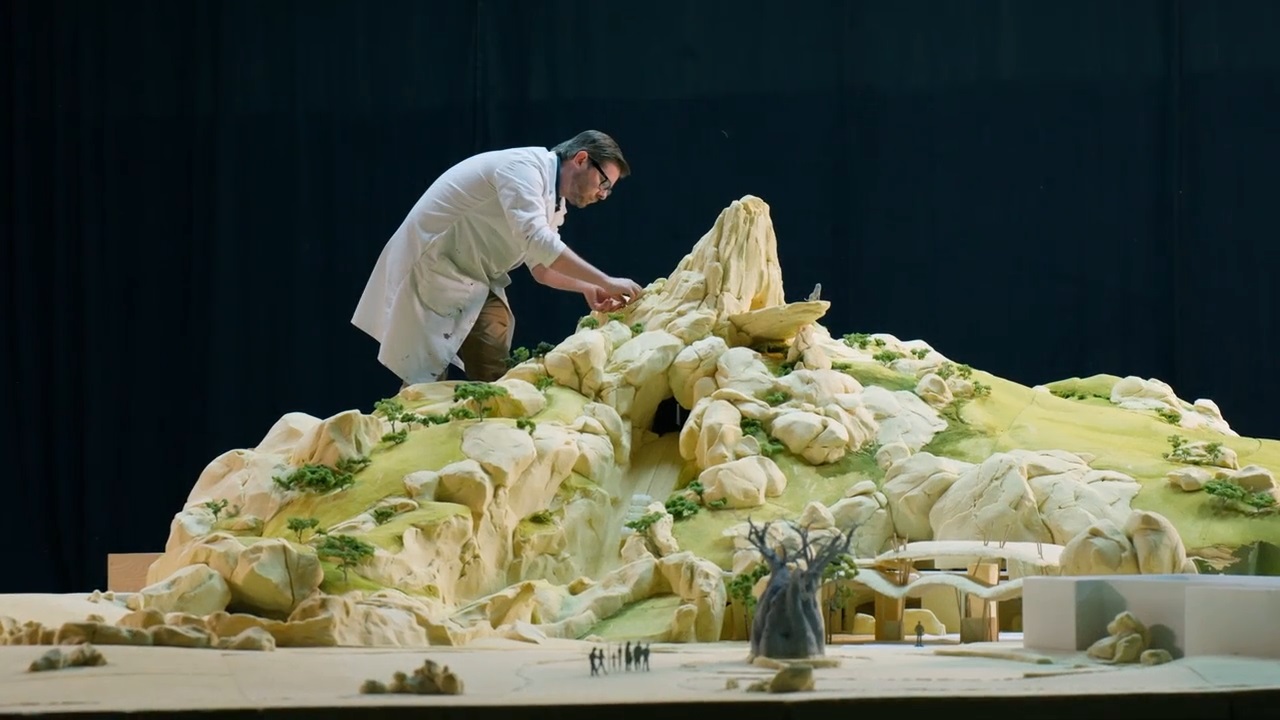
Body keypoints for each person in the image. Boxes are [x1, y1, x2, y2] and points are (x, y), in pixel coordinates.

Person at [351, 130, 645, 387]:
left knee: (494, 360)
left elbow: (541, 267)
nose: (602, 194)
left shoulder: (554, 201)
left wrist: (588, 286)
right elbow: (538, 242)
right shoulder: (523, 168)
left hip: (472, 276)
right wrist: (606, 280)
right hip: (433, 267)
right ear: (581, 159)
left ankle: (490, 421)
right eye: (603, 183)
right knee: (423, 384)